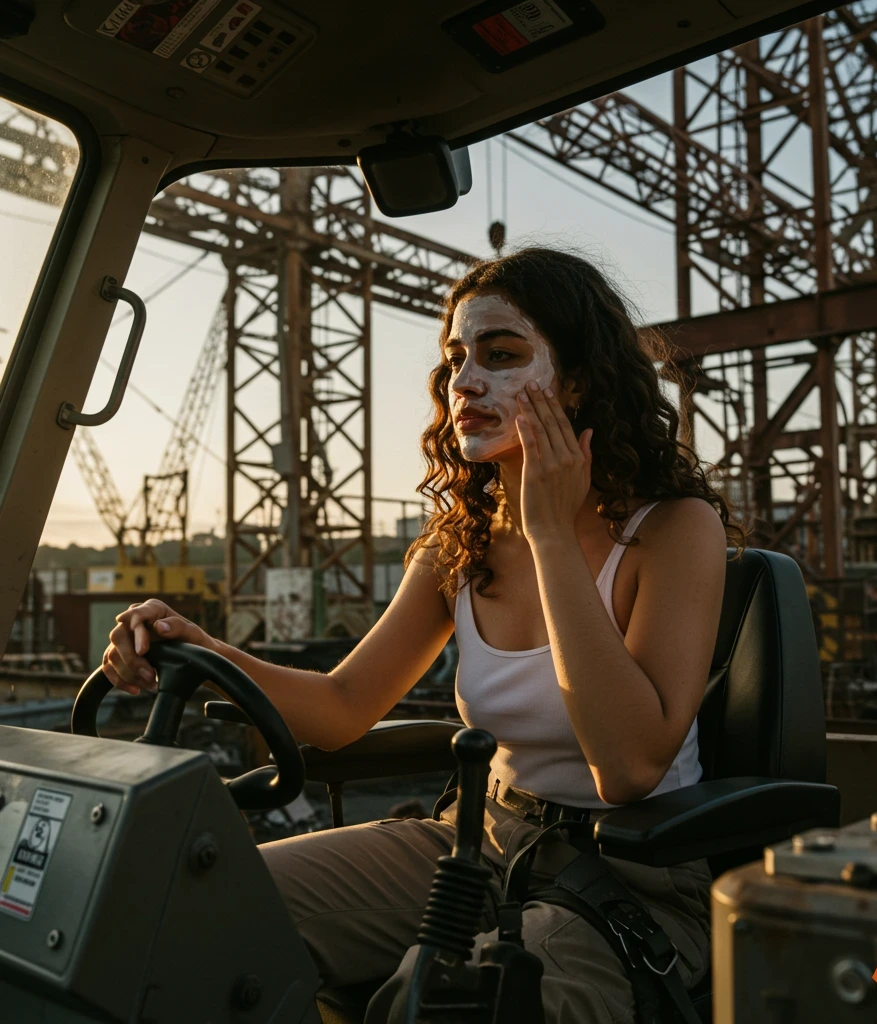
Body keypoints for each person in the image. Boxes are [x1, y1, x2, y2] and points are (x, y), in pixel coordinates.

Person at [103, 247, 744, 1023]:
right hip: (480, 836)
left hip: (633, 874)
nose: (465, 381)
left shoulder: (675, 529)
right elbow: (343, 706)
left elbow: (630, 768)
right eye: (455, 359)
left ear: (577, 381)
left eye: (501, 355)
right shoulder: (459, 545)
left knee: (447, 1007)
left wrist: (546, 535)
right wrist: (202, 647)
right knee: (197, 911)